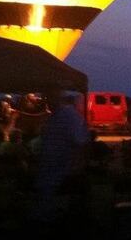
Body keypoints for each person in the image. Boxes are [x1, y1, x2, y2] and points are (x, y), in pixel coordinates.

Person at [33, 90, 89, 226]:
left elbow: (79, 142)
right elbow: (79, 141)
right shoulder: (64, 116)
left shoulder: (63, 116)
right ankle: (49, 219)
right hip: (56, 166)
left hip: (56, 165)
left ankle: (48, 219)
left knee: (49, 194)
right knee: (51, 195)